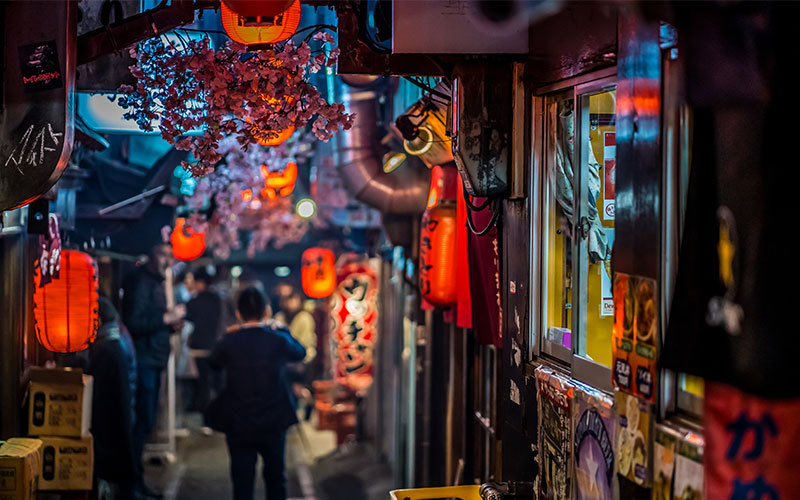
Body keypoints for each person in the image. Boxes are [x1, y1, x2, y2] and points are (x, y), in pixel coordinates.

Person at [210, 286, 306, 500]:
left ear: (238, 313)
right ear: (266, 312)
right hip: (273, 419)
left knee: (242, 481)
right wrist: (281, 328)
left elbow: (214, 362)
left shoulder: (230, 341)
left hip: (239, 420)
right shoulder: (277, 338)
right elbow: (300, 352)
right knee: (275, 478)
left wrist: (227, 334)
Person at [122, 244, 185, 499]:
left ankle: (137, 481)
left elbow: (152, 321)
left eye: (169, 255)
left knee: (146, 422)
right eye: (162, 254)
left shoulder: (157, 283)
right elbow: (133, 323)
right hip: (145, 360)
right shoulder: (142, 283)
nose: (166, 260)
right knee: (141, 422)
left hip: (154, 358)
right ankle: (132, 485)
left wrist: (170, 326)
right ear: (149, 256)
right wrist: (164, 320)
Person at [87, 297, 136, 500]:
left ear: (97, 320)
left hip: (108, 425)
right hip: (117, 423)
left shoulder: (107, 349)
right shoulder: (114, 343)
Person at [185, 266, 225, 418]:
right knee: (217, 382)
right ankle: (220, 414)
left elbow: (187, 317)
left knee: (203, 383)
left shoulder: (195, 301)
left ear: (201, 282)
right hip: (217, 346)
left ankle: (207, 416)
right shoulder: (218, 300)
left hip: (199, 347)